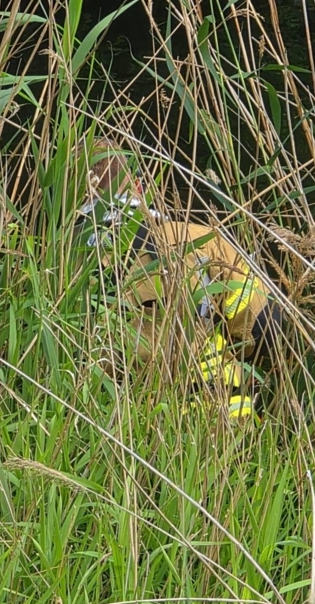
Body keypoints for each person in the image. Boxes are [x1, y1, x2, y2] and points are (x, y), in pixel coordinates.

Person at [77, 136, 283, 419]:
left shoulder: (61, 264)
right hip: (221, 421)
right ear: (138, 186)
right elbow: (268, 329)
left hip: (111, 427)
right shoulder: (203, 241)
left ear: (77, 196)